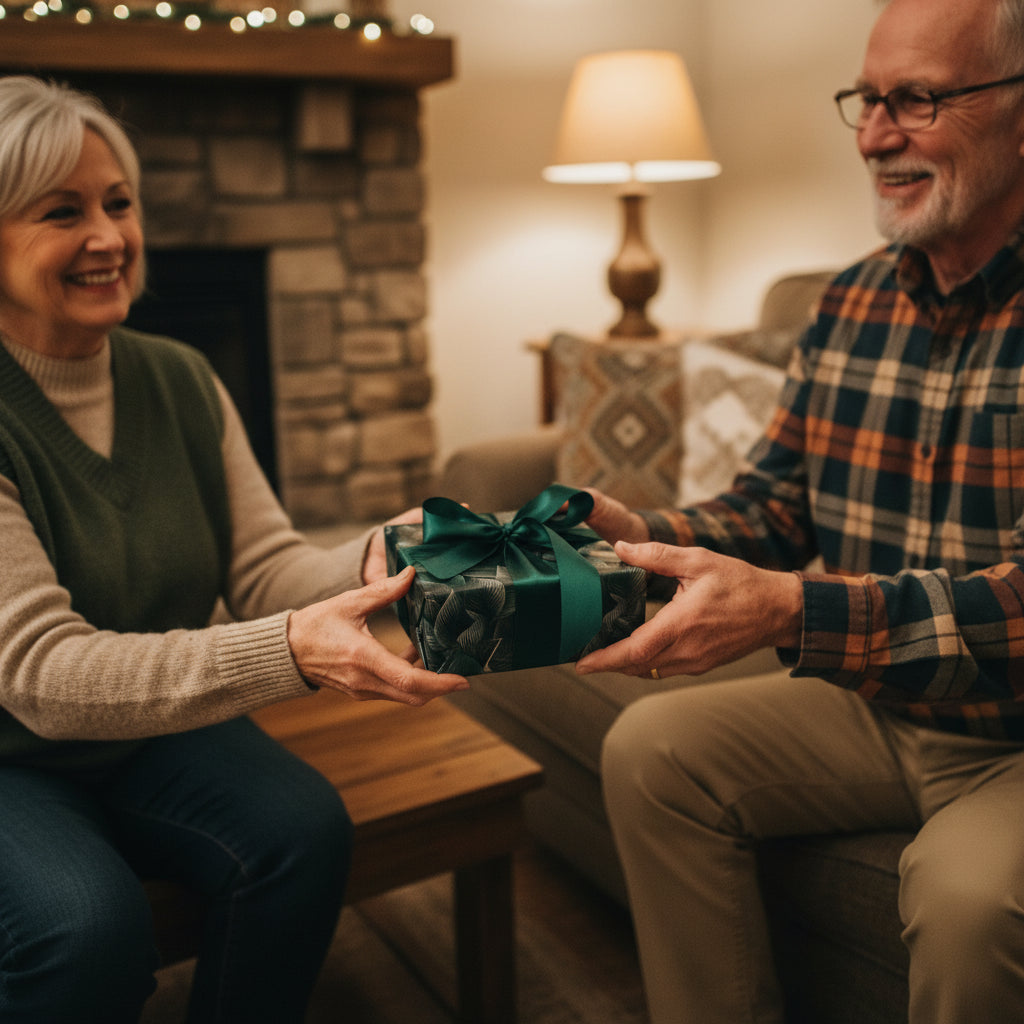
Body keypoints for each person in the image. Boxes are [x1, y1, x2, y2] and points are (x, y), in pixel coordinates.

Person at [571, 0, 1024, 1021]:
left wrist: (790, 612)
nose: (873, 136)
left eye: (917, 99)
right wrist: (637, 537)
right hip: (877, 705)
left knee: (966, 901)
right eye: (867, 100)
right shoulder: (850, 301)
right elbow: (775, 505)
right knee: (650, 753)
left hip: (1012, 737)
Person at [0, 74, 468, 1023]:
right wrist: (290, 650)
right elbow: (42, 671)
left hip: (149, 732)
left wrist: (382, 553)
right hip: (12, 754)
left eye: (119, 203)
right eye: (63, 212)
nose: (109, 237)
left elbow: (263, 568)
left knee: (303, 830)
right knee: (86, 929)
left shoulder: (180, 376)